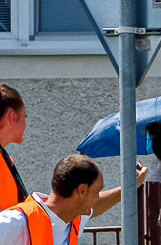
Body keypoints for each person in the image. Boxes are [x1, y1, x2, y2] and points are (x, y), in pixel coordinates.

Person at [0, 83, 145, 212]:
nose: (26, 124)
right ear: (13, 117)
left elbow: (71, 208)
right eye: (25, 117)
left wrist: (128, 188)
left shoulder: (6, 159)